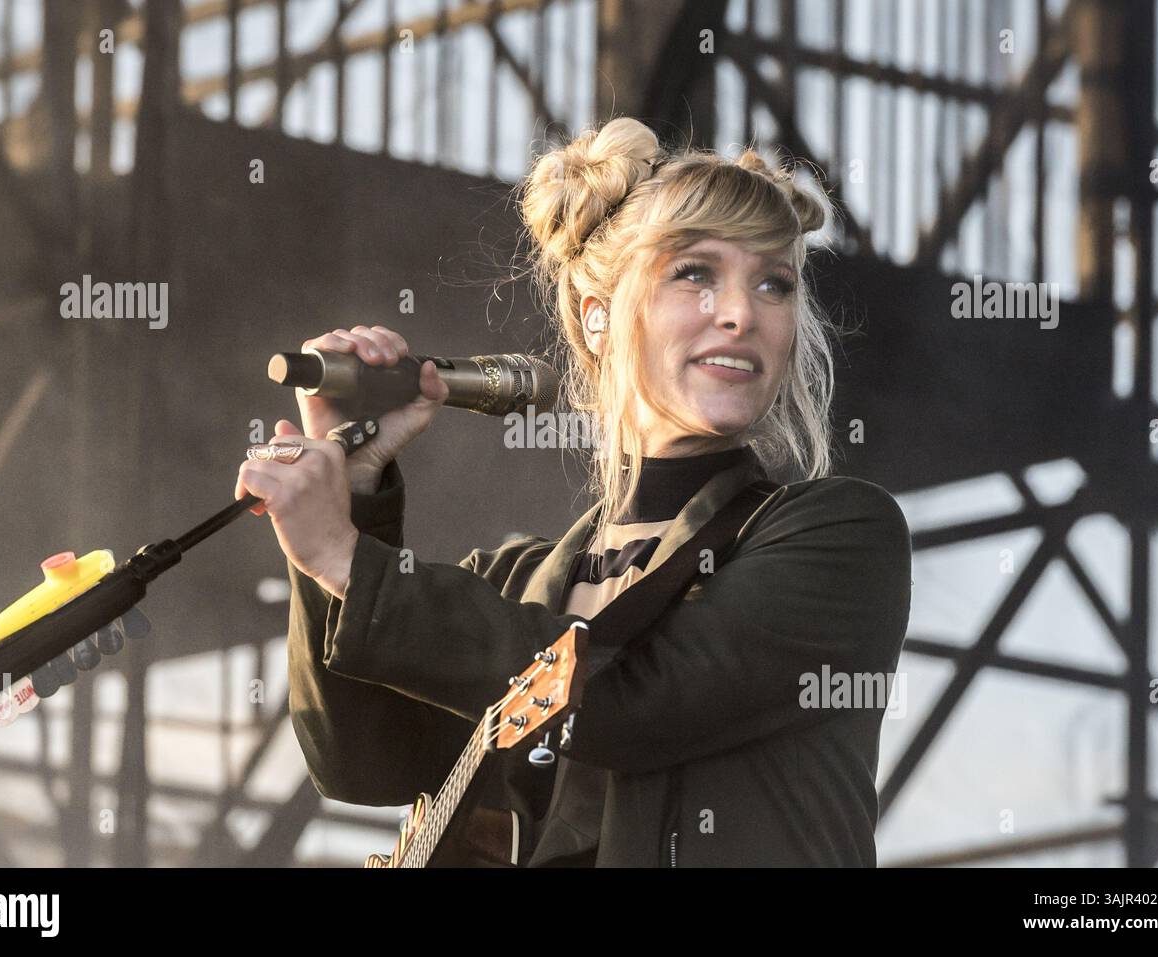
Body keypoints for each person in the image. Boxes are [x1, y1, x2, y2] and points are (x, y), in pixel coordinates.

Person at [235, 117, 913, 867]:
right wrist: (354, 494)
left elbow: (630, 704)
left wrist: (344, 556)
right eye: (694, 273)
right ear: (597, 319)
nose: (741, 312)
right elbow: (362, 762)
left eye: (773, 283)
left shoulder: (837, 537)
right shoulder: (514, 583)